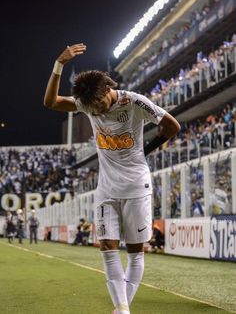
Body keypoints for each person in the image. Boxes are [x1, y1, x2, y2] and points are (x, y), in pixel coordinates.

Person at [44, 43, 180, 314]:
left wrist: (149, 149)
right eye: (91, 109)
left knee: (135, 251)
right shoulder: (87, 104)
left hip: (136, 185)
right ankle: (122, 309)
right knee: (106, 246)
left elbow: (172, 125)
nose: (98, 112)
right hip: (106, 187)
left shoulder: (135, 102)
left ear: (107, 90)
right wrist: (58, 64)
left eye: (100, 104)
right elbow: (50, 102)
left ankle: (121, 308)